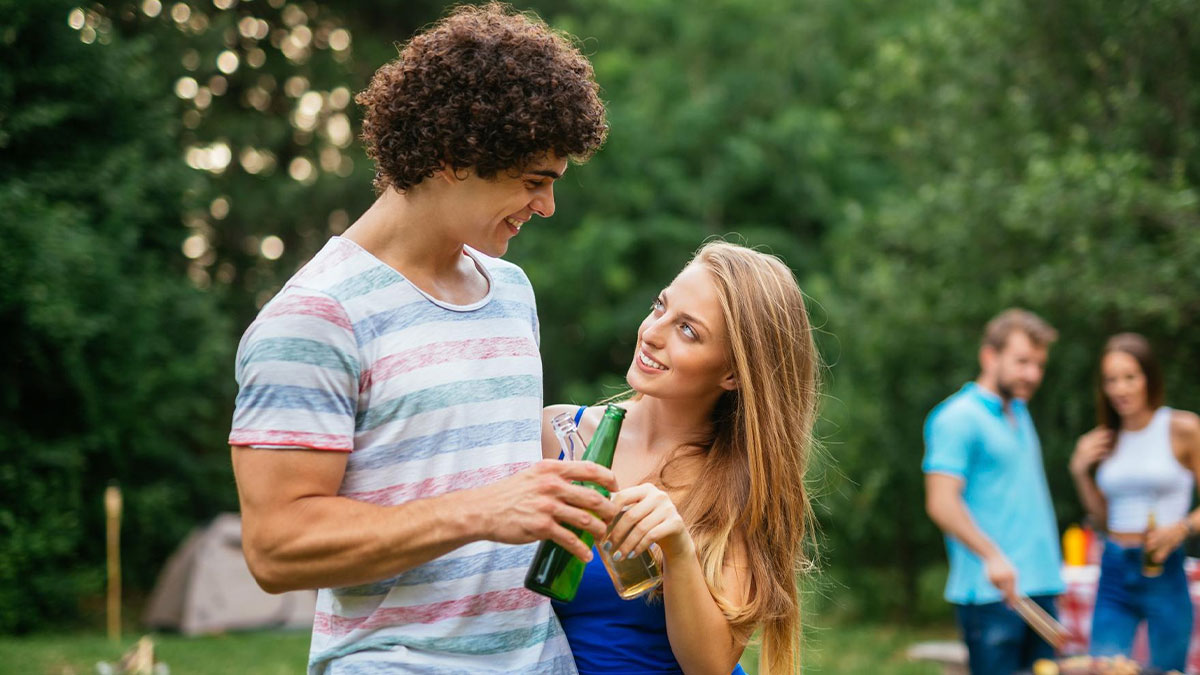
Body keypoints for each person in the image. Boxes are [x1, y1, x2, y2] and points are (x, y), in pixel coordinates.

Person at [227, 5, 614, 673]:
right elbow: (276, 546)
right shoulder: (315, 317)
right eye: (533, 182)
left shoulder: (512, 292)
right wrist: (478, 511)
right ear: (451, 158)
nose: (546, 207)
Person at [542, 241, 819, 675]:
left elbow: (710, 666)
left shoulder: (739, 487)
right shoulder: (559, 435)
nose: (652, 332)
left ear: (732, 373)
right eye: (659, 306)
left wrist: (677, 550)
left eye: (688, 330)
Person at [923, 309, 1066, 675]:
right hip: (992, 596)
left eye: (1039, 364)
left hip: (1041, 587)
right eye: (1022, 362)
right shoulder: (956, 417)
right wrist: (992, 556)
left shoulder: (1019, 410)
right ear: (990, 356)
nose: (1032, 374)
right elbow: (941, 502)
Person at [1069, 333, 1200, 670]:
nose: (1120, 389)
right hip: (1114, 568)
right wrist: (1081, 471)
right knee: (1105, 667)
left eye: (1130, 377)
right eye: (1111, 380)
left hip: (1163, 566)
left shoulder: (1181, 427)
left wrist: (1182, 528)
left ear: (1149, 378)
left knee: (1166, 670)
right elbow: (1104, 519)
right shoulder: (1106, 440)